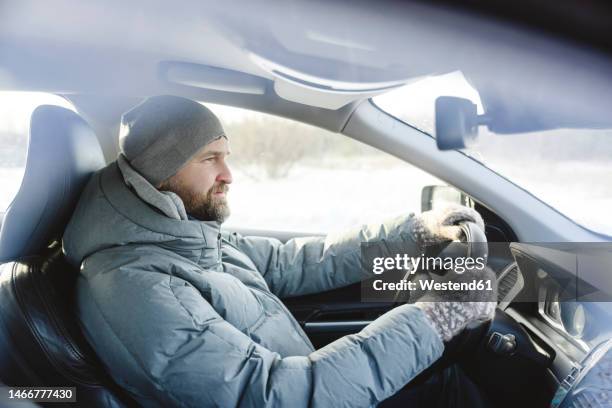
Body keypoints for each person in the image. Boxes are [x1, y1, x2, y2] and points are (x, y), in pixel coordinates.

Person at [62, 95, 496, 407]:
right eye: (209, 158)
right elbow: (270, 395)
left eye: (225, 156)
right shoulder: (136, 287)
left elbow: (300, 262)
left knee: (449, 386)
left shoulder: (184, 237)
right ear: (161, 172)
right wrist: (435, 318)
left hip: (314, 386)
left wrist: (415, 232)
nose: (228, 174)